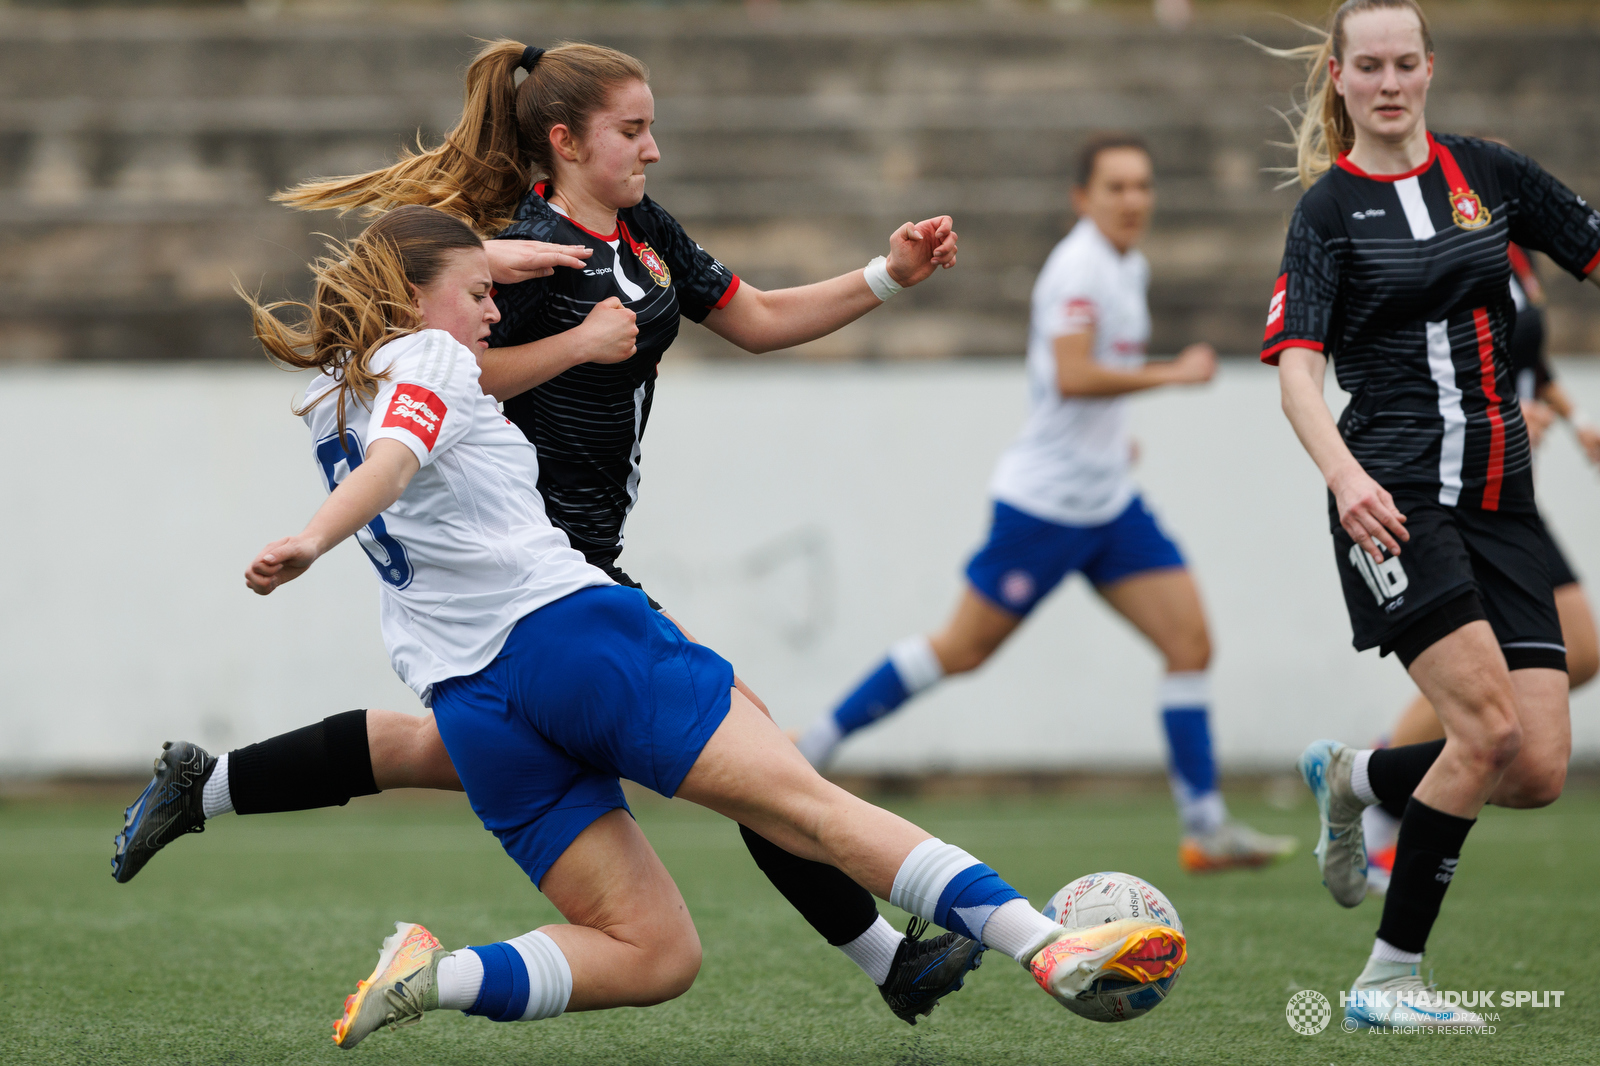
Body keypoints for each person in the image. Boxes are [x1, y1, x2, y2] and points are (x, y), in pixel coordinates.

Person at [111, 38, 981, 1027]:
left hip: (559, 571)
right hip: (536, 567)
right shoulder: (522, 254)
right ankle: (884, 958)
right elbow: (440, 373)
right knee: (753, 750)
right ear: (565, 141)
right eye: (632, 130)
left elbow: (761, 315)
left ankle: (206, 784)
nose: (652, 149)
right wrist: (573, 342)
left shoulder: (642, 234)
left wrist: (887, 274)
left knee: (439, 749)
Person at [231, 204, 1187, 1048]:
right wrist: (313, 540)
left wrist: (487, 259)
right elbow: (399, 458)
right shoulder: (434, 354)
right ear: (415, 295)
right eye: (478, 293)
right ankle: (1047, 946)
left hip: (473, 702)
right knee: (809, 806)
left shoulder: (328, 398)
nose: (490, 315)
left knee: (653, 954)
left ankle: (436, 976)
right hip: (571, 641)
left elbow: (399, 422)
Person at [791, 132, 1296, 874]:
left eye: (1142, 186)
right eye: (1116, 187)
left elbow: (1088, 383)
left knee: (1190, 645)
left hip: (1109, 504)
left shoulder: (1130, 264)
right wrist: (1172, 376)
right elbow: (1072, 376)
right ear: (1081, 198)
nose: (1132, 200)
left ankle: (1205, 827)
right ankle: (811, 752)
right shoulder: (1080, 269)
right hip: (1046, 508)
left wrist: (1113, 443)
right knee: (959, 650)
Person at [1260, 0, 1600, 1029]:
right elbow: (1297, 377)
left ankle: (1357, 774)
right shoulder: (1326, 212)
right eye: (1370, 66)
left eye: (1406, 62)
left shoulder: (1486, 173)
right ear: (1339, 76)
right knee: (1484, 727)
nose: (1391, 82)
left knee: (1535, 767)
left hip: (1501, 499)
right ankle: (1387, 982)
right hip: (1394, 501)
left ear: (1429, 68)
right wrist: (1343, 477)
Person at [1361, 237, 1600, 896]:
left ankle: (1374, 775)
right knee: (1486, 694)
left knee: (1578, 649)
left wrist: (1574, 417)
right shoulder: (1438, 256)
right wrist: (1496, 413)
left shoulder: (1516, 257)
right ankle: (1379, 805)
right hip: (1458, 496)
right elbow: (1427, 365)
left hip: (1512, 498)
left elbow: (1527, 358)